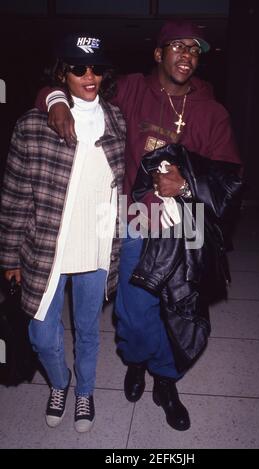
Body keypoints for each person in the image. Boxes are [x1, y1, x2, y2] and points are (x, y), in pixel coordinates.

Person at [35, 20, 241, 431]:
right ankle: (136, 361)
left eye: (194, 50)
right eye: (177, 47)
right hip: (135, 217)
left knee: (180, 309)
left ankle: (165, 380)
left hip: (189, 222)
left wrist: (186, 183)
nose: (187, 56)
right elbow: (79, 90)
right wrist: (54, 98)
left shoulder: (213, 111)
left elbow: (230, 177)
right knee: (133, 314)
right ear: (158, 54)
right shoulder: (128, 89)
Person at [0, 32, 126, 433]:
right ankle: (61, 382)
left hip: (97, 247)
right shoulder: (34, 124)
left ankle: (84, 391)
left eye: (96, 68)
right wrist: (8, 257)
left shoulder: (118, 119)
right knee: (41, 334)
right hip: (45, 249)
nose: (89, 76)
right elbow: (15, 195)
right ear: (62, 73)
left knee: (88, 330)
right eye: (78, 68)